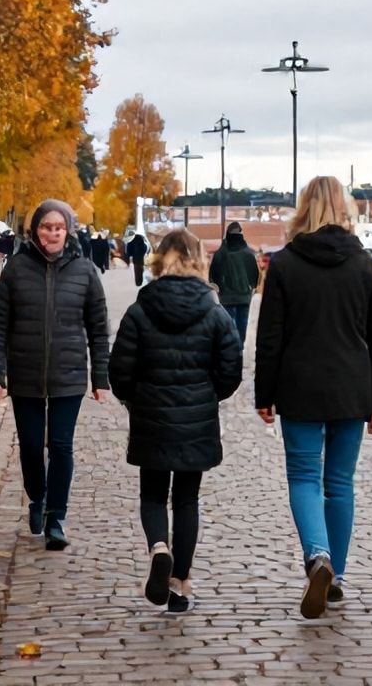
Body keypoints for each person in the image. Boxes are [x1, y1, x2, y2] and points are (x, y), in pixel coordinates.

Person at [254, 175, 372, 619]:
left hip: (298, 385)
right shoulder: (366, 265)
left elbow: (269, 337)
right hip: (352, 387)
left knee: (303, 477)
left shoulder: (285, 264)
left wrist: (265, 393)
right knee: (339, 483)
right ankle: (334, 575)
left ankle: (318, 555)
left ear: (303, 209)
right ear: (346, 208)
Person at [109, 229, 242, 614]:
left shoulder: (139, 310)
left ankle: (158, 548)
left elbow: (119, 369)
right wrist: (206, 395)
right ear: (199, 260)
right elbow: (231, 369)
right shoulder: (215, 312)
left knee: (152, 494)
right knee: (186, 499)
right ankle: (180, 584)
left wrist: (135, 398)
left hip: (151, 415)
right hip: (196, 419)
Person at [0, 199, 110, 551]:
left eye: (58, 227)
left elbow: (99, 328)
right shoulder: (16, 270)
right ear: (35, 230)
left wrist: (101, 378)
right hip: (24, 373)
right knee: (29, 445)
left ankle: (56, 516)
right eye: (46, 227)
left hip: (68, 375)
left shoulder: (85, 271)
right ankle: (36, 496)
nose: (52, 233)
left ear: (67, 230)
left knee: (60, 445)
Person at [208, 221, 260, 341]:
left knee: (227, 329)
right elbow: (255, 277)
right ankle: (240, 353)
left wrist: (220, 289)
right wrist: (249, 287)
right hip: (244, 297)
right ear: (241, 233)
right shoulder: (249, 253)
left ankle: (230, 352)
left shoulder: (220, 254)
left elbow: (213, 277)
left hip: (225, 298)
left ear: (227, 233)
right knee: (243, 329)